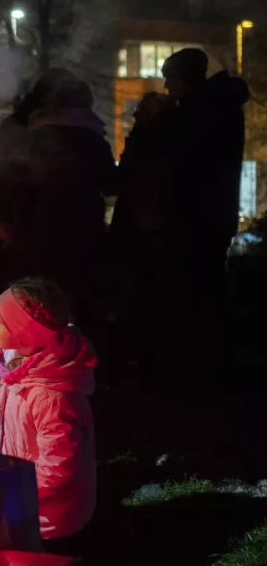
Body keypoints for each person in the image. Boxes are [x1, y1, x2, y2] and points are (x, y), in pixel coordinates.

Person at [0, 71, 117, 325]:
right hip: (86, 228)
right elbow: (110, 184)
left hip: (43, 227)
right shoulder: (94, 140)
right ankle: (79, 350)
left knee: (45, 295)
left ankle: (45, 348)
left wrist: (7, 218)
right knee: (82, 298)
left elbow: (17, 181)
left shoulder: (37, 137)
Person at [0, 277, 97, 551]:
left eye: (0, 320)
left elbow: (59, 467)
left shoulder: (52, 397)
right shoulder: (16, 362)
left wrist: (16, 491)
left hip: (51, 519)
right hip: (23, 499)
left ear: (25, 334)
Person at [160, 49, 249, 372]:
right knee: (210, 288)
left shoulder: (197, 114)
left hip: (194, 217)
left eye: (171, 79)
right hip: (214, 214)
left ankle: (198, 365)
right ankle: (210, 362)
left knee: (195, 292)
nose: (167, 87)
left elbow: (180, 167)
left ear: (186, 79)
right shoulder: (221, 108)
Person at [109, 92, 174, 366]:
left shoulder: (147, 139)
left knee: (139, 293)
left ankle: (140, 354)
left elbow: (126, 177)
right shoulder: (169, 136)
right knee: (148, 294)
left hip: (140, 224)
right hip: (151, 225)